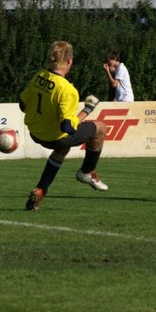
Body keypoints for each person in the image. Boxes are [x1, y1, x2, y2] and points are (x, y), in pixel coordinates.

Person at [19, 40, 109, 211]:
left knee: (63, 149)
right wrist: (88, 109)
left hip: (36, 133)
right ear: (70, 61)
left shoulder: (38, 77)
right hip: (55, 137)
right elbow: (67, 128)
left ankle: (40, 190)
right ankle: (87, 172)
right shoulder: (67, 90)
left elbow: (22, 105)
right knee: (101, 128)